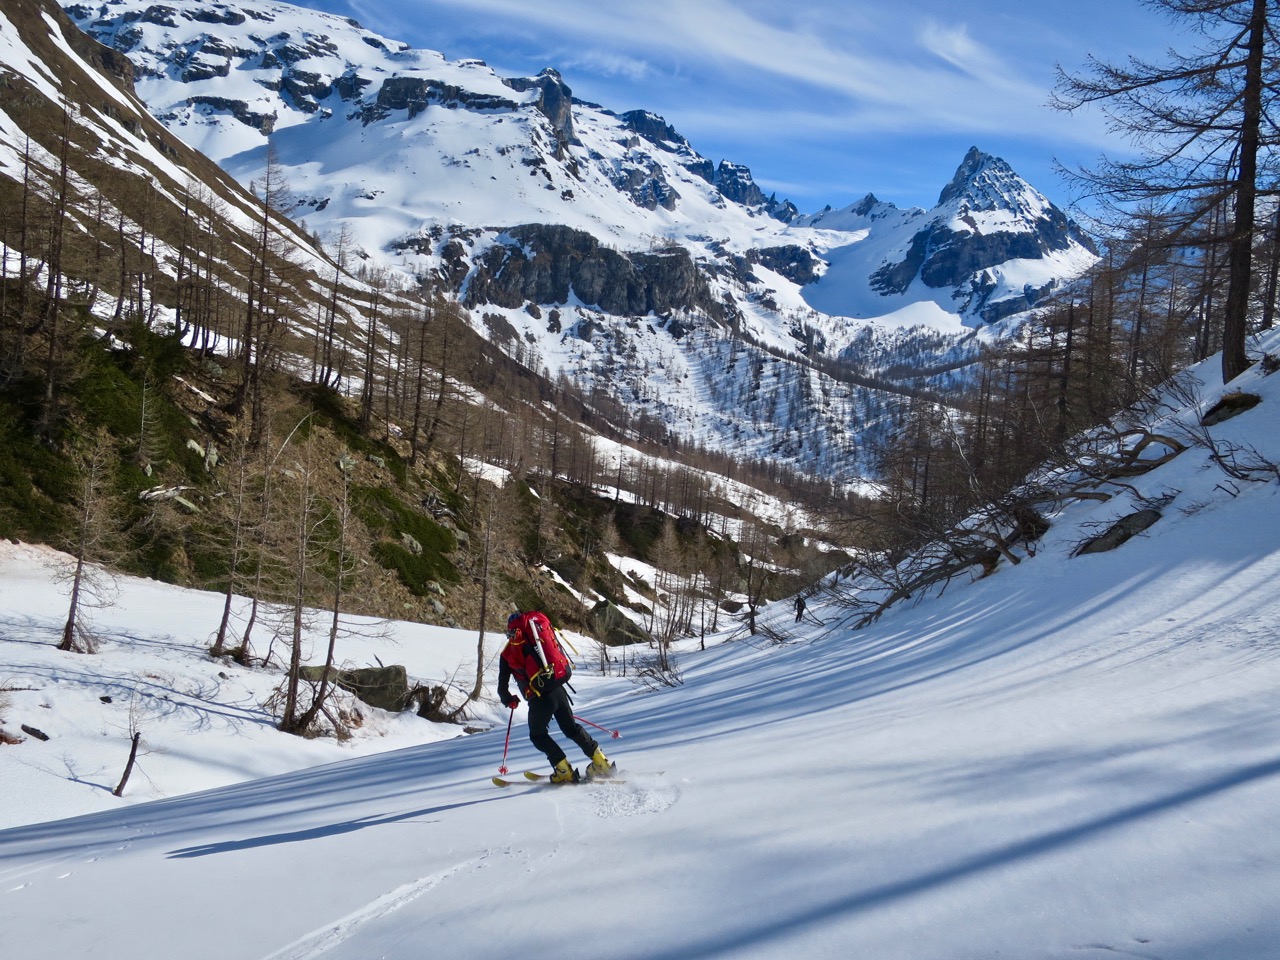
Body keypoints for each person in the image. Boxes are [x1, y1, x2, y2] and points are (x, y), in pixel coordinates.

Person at [498, 611, 615, 783]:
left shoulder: (508, 652)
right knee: (571, 729)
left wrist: (510, 700)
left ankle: (563, 770)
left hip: (539, 698)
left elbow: (502, 689)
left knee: (538, 736)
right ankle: (600, 762)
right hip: (559, 689)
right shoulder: (538, 637)